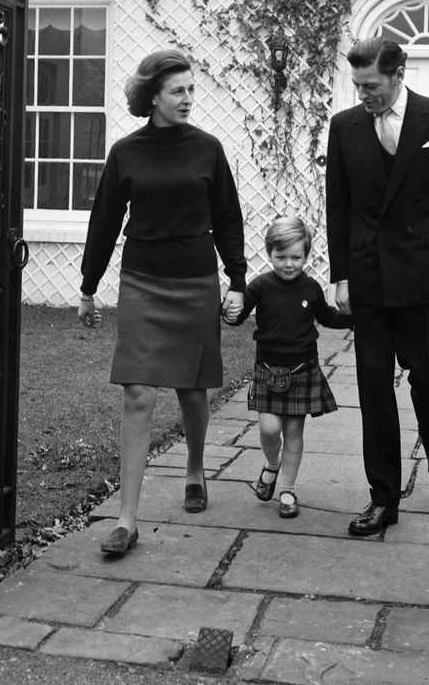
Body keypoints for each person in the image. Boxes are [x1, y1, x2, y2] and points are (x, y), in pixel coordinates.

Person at [78, 50, 246, 556]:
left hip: (195, 280)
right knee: (138, 394)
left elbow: (229, 218)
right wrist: (88, 288)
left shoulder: (208, 150)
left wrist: (237, 280)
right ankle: (126, 519)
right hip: (143, 282)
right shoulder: (127, 153)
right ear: (153, 95)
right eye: (178, 91)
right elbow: (104, 221)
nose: (188, 99)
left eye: (192, 89)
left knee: (192, 391)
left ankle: (194, 467)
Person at [325, 36, 429, 537]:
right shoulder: (344, 127)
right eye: (357, 85)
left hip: (425, 272)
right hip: (368, 276)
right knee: (373, 389)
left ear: (398, 73)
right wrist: (340, 275)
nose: (363, 94)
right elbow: (338, 206)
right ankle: (384, 497)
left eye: (370, 85)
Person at [224, 215, 350, 519]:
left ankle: (288, 490)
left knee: (294, 431)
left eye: (297, 257)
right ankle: (271, 464)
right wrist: (228, 310)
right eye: (281, 257)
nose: (289, 264)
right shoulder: (260, 286)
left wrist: (354, 318)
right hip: (268, 370)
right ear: (270, 254)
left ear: (306, 255)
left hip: (302, 369)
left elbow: (327, 316)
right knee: (269, 428)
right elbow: (239, 317)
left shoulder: (311, 288)